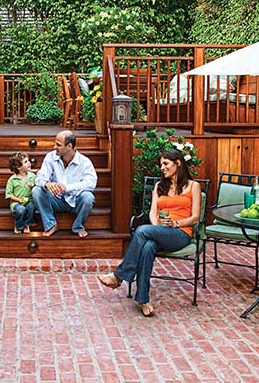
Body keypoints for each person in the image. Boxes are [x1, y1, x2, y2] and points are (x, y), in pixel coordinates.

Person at [98, 149, 201, 317]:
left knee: (141, 230)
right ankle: (143, 299)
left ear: (178, 163)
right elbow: (153, 212)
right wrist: (157, 227)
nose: (162, 168)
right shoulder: (159, 186)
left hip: (181, 233)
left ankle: (119, 276)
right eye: (161, 164)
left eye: (166, 164)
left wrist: (175, 223)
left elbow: (195, 217)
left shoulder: (193, 186)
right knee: (147, 247)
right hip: (160, 230)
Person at [32, 130, 97, 238]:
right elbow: (40, 177)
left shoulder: (84, 162)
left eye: (58, 144)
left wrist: (67, 188)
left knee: (88, 197)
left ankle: (78, 226)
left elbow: (90, 183)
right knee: (37, 191)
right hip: (55, 200)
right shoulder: (50, 157)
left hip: (75, 201)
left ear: (69, 146)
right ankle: (50, 225)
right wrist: (47, 184)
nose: (54, 147)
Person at [5, 152, 36, 234]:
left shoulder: (32, 176)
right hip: (16, 202)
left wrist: (33, 186)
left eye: (28, 160)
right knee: (20, 210)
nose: (29, 163)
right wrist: (18, 200)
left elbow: (37, 187)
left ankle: (27, 224)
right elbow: (9, 194)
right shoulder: (12, 179)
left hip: (29, 200)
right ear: (18, 167)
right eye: (26, 162)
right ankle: (19, 225)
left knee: (32, 207)